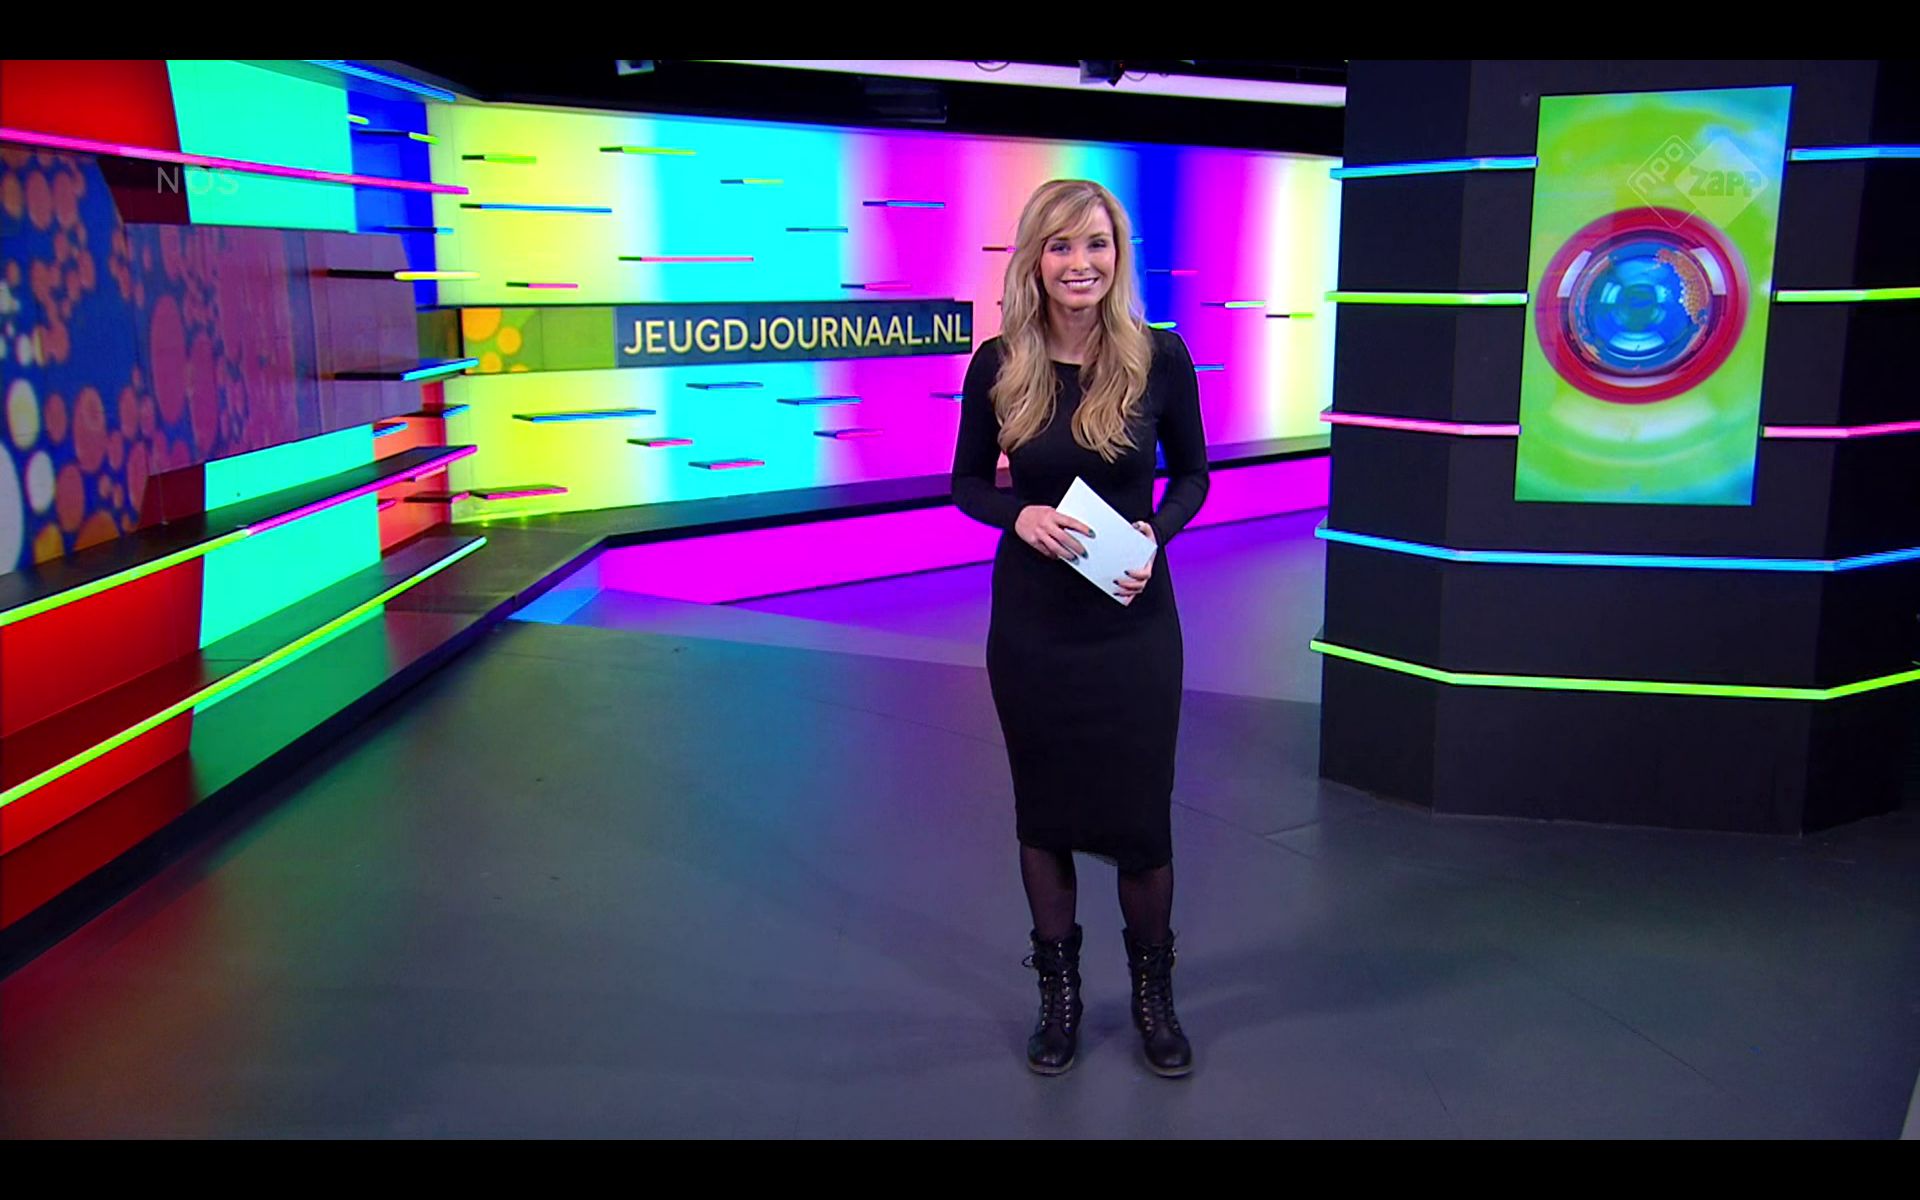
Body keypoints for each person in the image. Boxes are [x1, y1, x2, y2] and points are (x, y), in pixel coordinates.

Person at [950, 179, 1209, 1078]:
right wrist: (1016, 515)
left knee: (1141, 821)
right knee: (1045, 816)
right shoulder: (998, 363)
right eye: (1061, 246)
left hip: (1133, 621)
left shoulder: (1159, 355)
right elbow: (966, 483)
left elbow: (1194, 475)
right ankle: (1057, 997)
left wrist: (1156, 531)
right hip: (1035, 627)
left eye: (1096, 244)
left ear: (1117, 255)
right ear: (1035, 258)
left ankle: (1152, 996)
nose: (1080, 263)